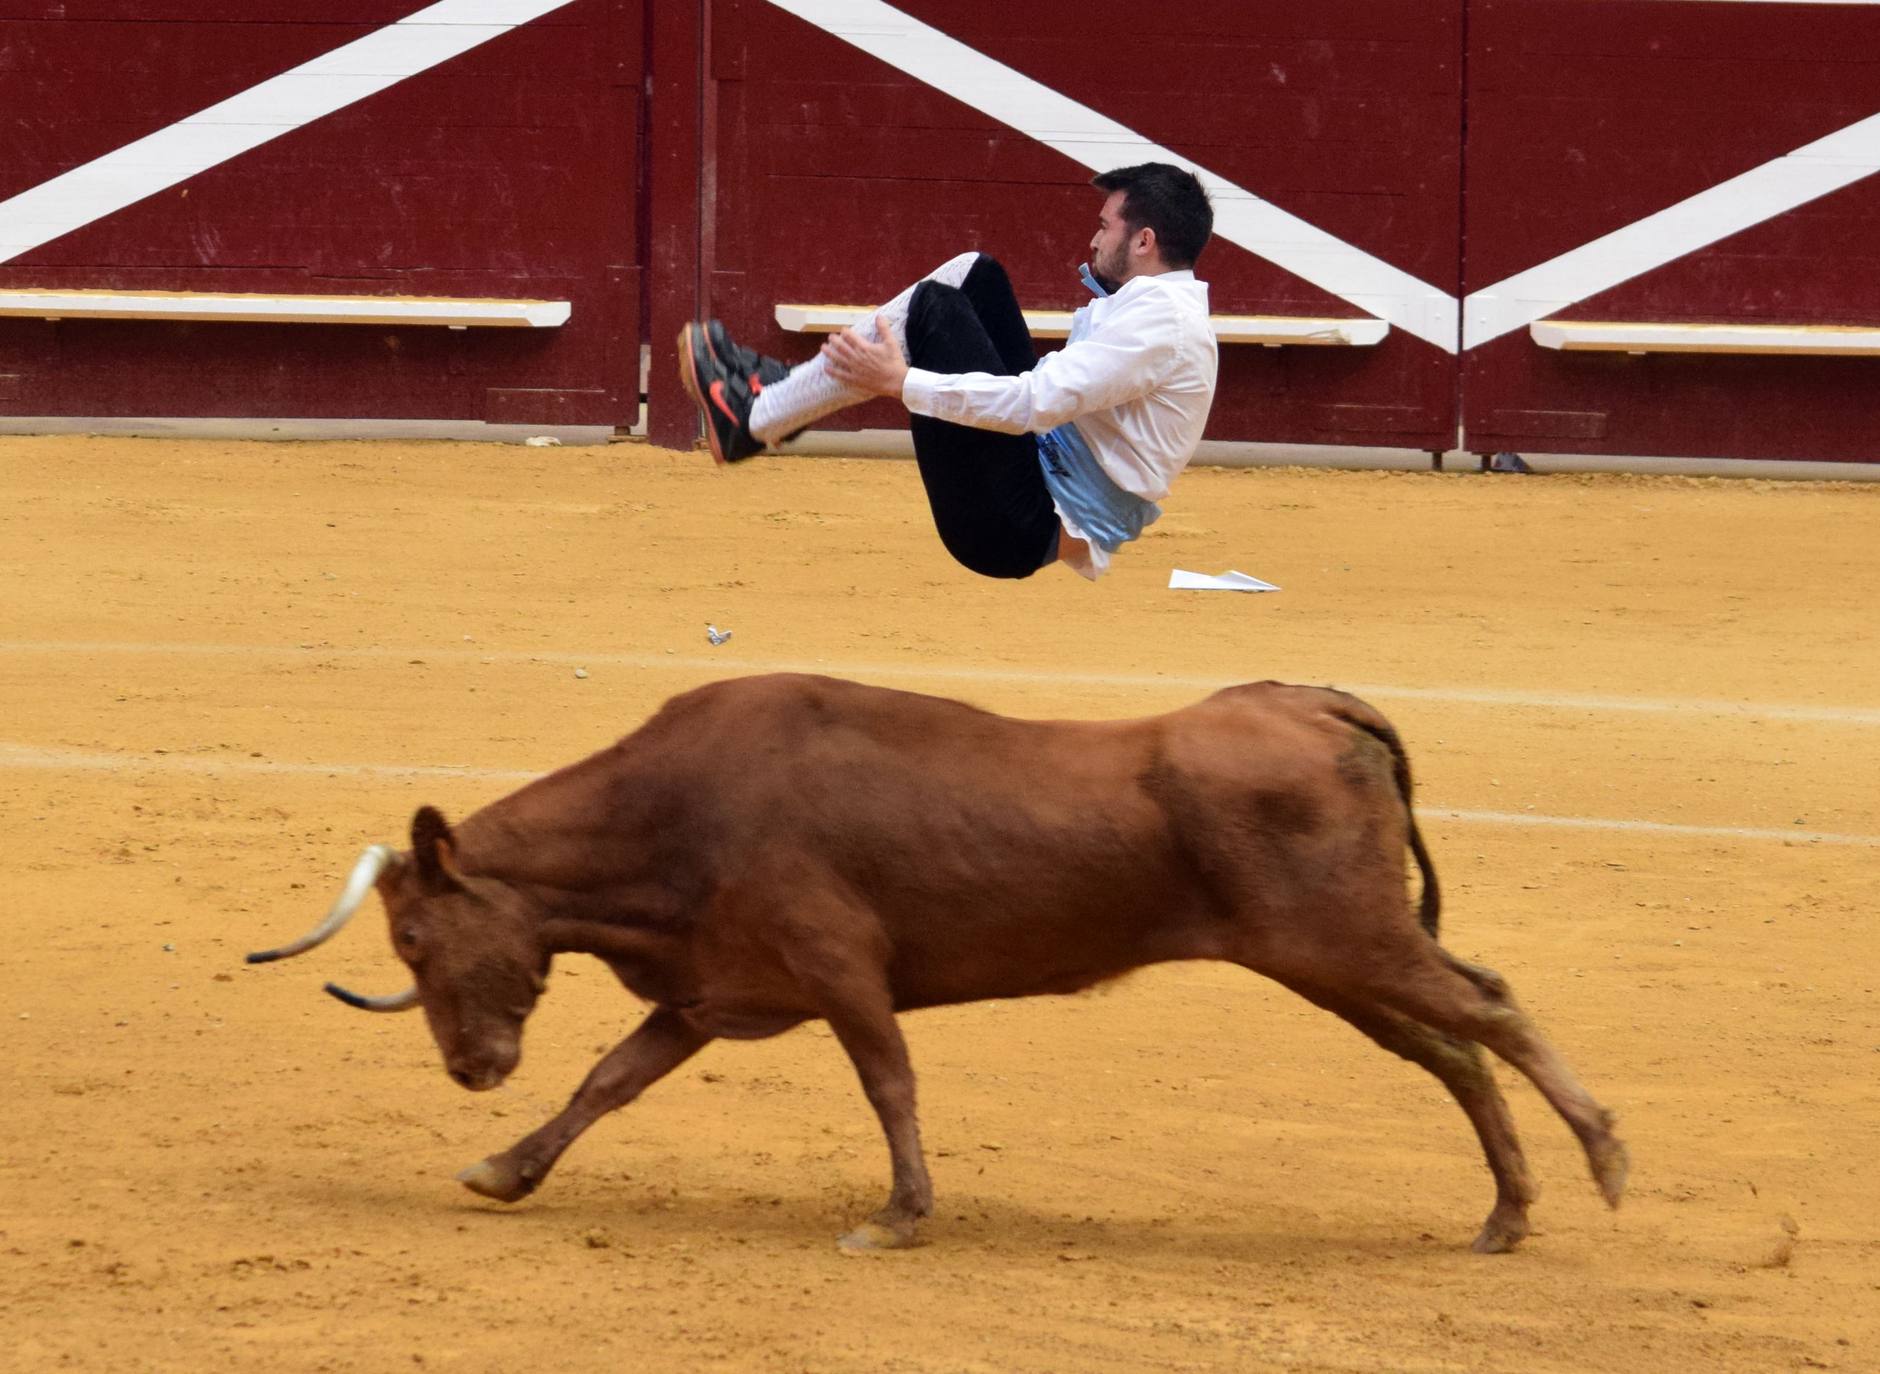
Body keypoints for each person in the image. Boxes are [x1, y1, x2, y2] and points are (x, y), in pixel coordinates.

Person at [678, 163, 1218, 581]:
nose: (1095, 240)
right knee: (974, 273)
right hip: (1039, 476)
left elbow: (1035, 403)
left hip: (1015, 524)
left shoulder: (1163, 322)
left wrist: (900, 383)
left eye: (1105, 227)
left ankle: (758, 416)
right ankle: (775, 402)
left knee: (933, 309)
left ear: (1144, 241)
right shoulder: (1156, 305)